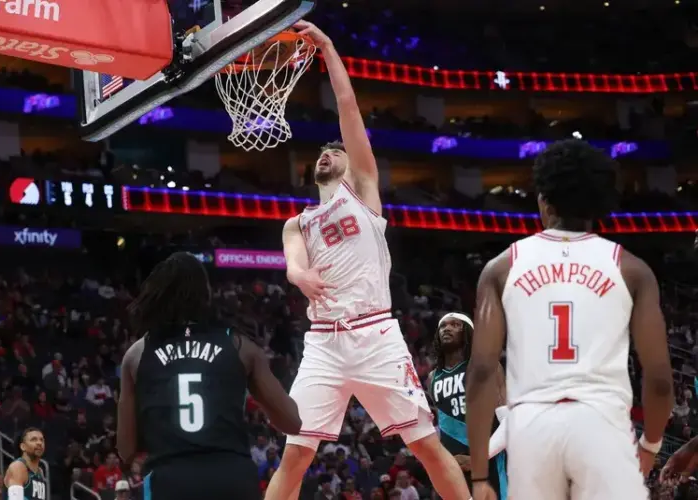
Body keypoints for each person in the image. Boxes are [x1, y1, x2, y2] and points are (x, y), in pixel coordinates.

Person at [265, 19, 470, 500]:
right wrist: (300, 276)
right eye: (321, 154)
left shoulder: (364, 195)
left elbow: (348, 107)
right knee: (295, 454)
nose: (325, 155)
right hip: (324, 343)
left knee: (425, 445)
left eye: (333, 152)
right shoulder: (299, 222)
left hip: (376, 334)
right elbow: (292, 262)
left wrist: (330, 47)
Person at [464, 139, 675, 500]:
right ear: (599, 204)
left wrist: (481, 474)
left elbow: (482, 373)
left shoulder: (501, 268)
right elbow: (658, 380)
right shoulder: (632, 270)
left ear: (543, 200)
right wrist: (650, 446)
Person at [116, 252, 301, 500]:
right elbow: (292, 422)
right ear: (207, 295)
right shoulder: (239, 345)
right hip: (231, 478)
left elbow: (126, 450)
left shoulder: (137, 354)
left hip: (170, 480)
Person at [428, 313, 508, 499]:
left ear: (468, 333)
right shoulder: (433, 377)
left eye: (455, 325)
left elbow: (508, 423)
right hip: (454, 470)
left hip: (489, 463)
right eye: (443, 326)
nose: (447, 328)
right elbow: (443, 426)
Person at [4, 428, 48, 500]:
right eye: (33, 439)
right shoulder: (18, 467)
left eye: (42, 440)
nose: (39, 443)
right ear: (23, 446)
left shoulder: (40, 471)